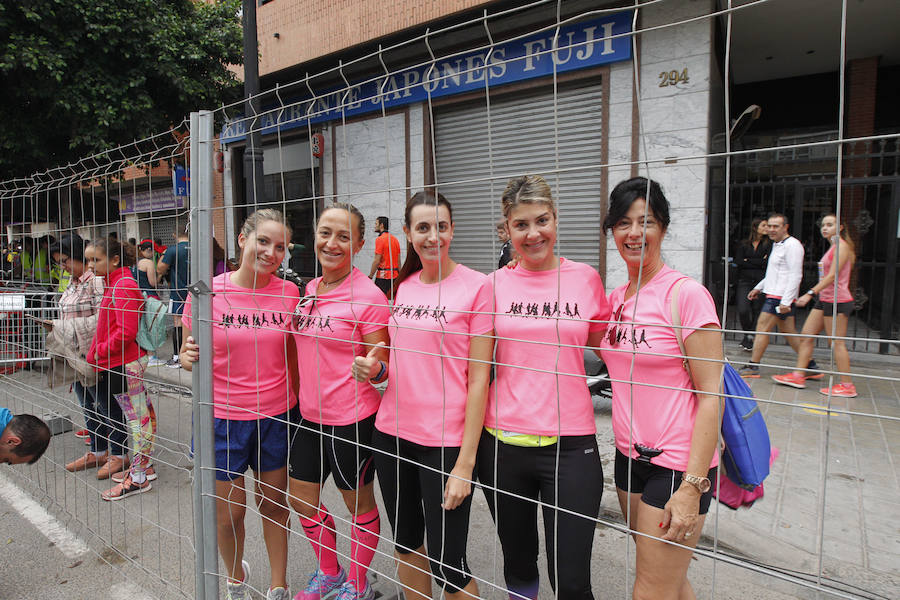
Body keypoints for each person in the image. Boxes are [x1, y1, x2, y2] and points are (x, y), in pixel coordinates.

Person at [477, 175, 610, 600]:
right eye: (521, 225)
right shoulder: (493, 286)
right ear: (506, 229)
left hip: (571, 447)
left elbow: (610, 347)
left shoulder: (586, 279)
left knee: (571, 581)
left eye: (542, 220)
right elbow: (473, 365)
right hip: (502, 446)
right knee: (518, 566)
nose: (533, 234)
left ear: (556, 218)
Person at [358, 191, 491, 600]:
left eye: (442, 226)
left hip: (445, 444)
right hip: (392, 434)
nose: (434, 236)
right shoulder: (406, 287)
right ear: (407, 233)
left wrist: (466, 464)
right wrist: (377, 369)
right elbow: (403, 362)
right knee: (406, 544)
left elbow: (479, 380)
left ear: (453, 229)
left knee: (449, 565)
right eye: (423, 228)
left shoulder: (478, 287)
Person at [598, 177, 724, 600]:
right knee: (668, 578)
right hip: (628, 456)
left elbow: (712, 395)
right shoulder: (616, 298)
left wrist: (693, 485)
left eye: (645, 222)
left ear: (663, 228)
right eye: (623, 223)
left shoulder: (686, 295)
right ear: (612, 231)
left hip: (677, 465)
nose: (634, 233)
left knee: (650, 588)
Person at [180, 209, 300, 600]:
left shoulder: (290, 294)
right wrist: (185, 357)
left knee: (274, 504)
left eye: (280, 247)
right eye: (263, 241)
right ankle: (235, 576)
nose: (271, 252)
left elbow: (295, 354)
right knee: (229, 513)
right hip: (222, 418)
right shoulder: (206, 293)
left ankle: (278, 585)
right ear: (242, 239)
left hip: (276, 415)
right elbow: (187, 349)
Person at [288, 203, 389, 600]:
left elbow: (384, 362)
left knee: (358, 505)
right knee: (301, 499)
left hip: (352, 419)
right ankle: (329, 573)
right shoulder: (310, 290)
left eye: (344, 236)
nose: (332, 243)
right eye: (325, 233)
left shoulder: (368, 296)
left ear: (360, 244)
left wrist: (375, 369)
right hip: (309, 416)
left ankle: (358, 583)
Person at [82, 237, 157, 500]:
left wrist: (99, 352)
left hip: (124, 364)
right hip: (121, 362)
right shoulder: (116, 283)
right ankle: (144, 468)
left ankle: (137, 477)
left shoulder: (122, 285)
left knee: (138, 421)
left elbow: (125, 331)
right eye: (89, 259)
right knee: (142, 416)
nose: (91, 265)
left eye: (96, 259)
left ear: (114, 260)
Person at [772, 213, 858, 397]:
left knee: (836, 343)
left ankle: (847, 385)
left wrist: (810, 293)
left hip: (837, 300)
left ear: (840, 227)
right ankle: (798, 375)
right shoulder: (833, 247)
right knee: (806, 336)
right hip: (825, 299)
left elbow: (832, 276)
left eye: (830, 224)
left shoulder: (841, 247)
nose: (825, 228)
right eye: (823, 225)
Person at [739, 213, 821, 379]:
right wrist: (759, 288)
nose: (771, 229)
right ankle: (810, 365)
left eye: (776, 226)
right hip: (775, 294)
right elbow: (774, 273)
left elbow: (795, 274)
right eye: (769, 226)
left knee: (762, 328)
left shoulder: (793, 245)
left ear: (786, 227)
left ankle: (753, 366)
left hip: (779, 297)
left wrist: (786, 300)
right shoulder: (777, 245)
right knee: (789, 332)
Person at [49, 235, 104, 453]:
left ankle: (111, 451)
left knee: (101, 406)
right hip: (73, 354)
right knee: (86, 405)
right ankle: (97, 449)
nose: (62, 267)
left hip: (91, 356)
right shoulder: (72, 284)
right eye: (59, 262)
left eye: (65, 260)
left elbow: (103, 319)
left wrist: (69, 329)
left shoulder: (96, 282)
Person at [734, 218, 770, 351]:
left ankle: (749, 337)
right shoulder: (744, 244)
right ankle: (747, 333)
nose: (767, 228)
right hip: (745, 281)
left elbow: (767, 264)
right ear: (755, 227)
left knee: (757, 310)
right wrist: (758, 261)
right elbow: (738, 261)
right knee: (743, 309)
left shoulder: (769, 244)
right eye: (764, 225)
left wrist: (748, 260)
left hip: (761, 281)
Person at [157, 229, 190, 368]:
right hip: (198, 292)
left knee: (178, 322)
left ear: (174, 234)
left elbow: (160, 269)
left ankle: (178, 357)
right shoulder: (199, 247)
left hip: (178, 292)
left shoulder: (172, 250)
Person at [134, 240, 165, 367]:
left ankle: (144, 353)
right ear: (148, 250)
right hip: (150, 297)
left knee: (142, 326)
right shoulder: (148, 263)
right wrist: (160, 275)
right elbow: (152, 283)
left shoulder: (134, 263)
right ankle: (151, 355)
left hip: (139, 296)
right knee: (152, 326)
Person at [369, 215, 401, 298]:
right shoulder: (395, 239)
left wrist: (370, 276)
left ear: (381, 225)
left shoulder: (380, 239)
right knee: (393, 298)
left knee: (378, 299)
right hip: (395, 275)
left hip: (383, 276)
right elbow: (399, 261)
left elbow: (377, 260)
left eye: (376, 224)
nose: (374, 226)